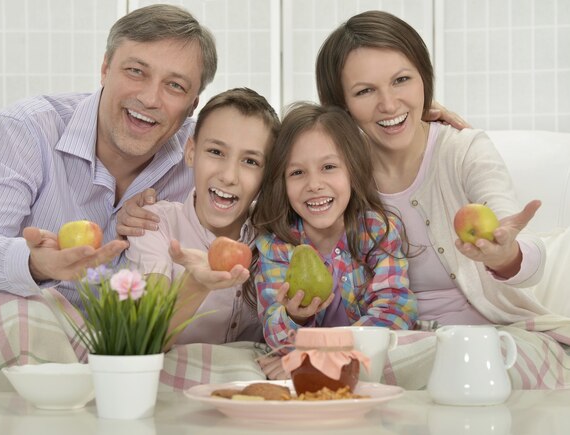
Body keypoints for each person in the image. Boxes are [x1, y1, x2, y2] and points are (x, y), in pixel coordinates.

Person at [0, 4, 217, 405]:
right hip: (5, 328)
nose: (149, 97)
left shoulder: (207, 158)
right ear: (105, 68)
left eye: (175, 86)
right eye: (135, 71)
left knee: (219, 364)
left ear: (192, 105)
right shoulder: (28, 128)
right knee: (22, 317)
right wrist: (35, 263)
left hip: (119, 353)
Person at [314, 10, 570, 388]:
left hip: (492, 338)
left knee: (480, 364)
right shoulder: (333, 172)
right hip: (391, 340)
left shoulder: (463, 150)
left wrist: (505, 255)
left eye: (402, 80)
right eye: (365, 91)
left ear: (424, 79)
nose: (389, 103)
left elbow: (523, 249)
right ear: (341, 105)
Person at [251, 102, 417, 352]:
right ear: (281, 182)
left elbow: (395, 309)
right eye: (297, 172)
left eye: (328, 167)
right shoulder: (275, 247)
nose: (314, 184)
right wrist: (294, 317)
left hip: (365, 355)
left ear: (353, 170)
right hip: (312, 361)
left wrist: (334, 353)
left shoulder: (376, 231)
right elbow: (276, 338)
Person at [124, 87, 280, 347]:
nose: (229, 176)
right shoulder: (155, 224)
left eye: (250, 161)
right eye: (216, 152)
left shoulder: (275, 238)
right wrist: (196, 284)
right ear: (191, 152)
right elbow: (144, 338)